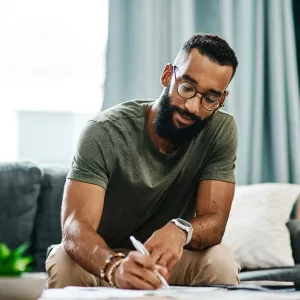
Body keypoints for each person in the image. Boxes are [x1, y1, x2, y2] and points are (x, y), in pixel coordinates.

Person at [46, 33, 240, 289]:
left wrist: (181, 229)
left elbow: (215, 221)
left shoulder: (220, 130)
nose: (193, 107)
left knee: (221, 260)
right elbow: (74, 227)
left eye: (209, 98)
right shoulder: (104, 131)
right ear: (167, 75)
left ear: (221, 99)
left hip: (165, 264)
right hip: (104, 259)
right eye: (187, 87)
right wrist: (114, 267)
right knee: (63, 258)